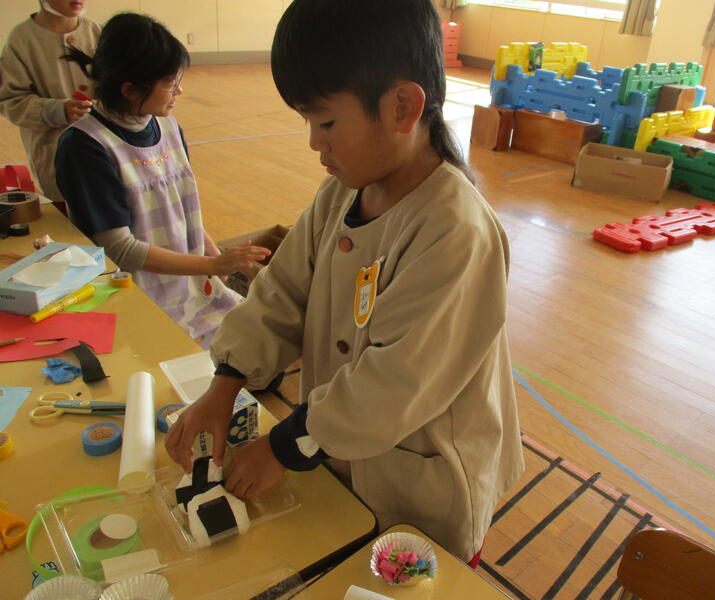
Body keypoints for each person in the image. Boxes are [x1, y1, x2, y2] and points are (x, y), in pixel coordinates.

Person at [166, 0, 524, 562]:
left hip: (425, 484)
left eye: (327, 122)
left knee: (412, 578)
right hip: (339, 451)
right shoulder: (341, 194)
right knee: (340, 546)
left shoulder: (455, 229)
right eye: (308, 123)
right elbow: (280, 294)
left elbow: (393, 384)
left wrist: (281, 447)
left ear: (403, 107)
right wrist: (225, 384)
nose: (315, 141)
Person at [55, 13, 268, 349]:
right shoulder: (85, 146)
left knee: (257, 348)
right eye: (170, 83)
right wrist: (212, 263)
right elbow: (120, 249)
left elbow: (182, 211)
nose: (179, 91)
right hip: (138, 300)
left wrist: (212, 255)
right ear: (129, 90)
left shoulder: (168, 125)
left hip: (191, 287)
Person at [0, 0, 99, 211]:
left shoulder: (97, 32)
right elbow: (11, 100)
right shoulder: (21, 40)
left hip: (104, 154)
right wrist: (56, 111)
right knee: (69, 218)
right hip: (54, 155)